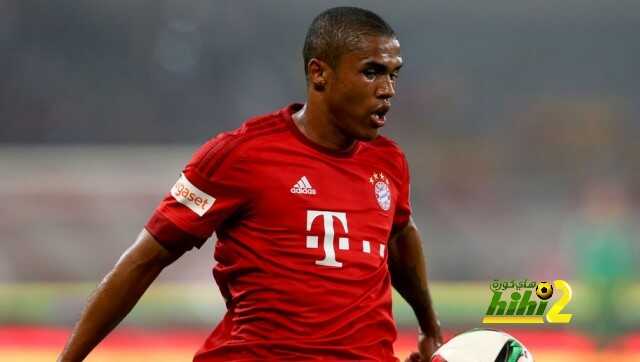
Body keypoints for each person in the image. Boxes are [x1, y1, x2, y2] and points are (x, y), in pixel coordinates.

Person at [58, 6, 442, 361]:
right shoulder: (240, 154)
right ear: (319, 73)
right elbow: (145, 259)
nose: (387, 89)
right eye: (372, 71)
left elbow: (399, 235)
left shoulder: (388, 162)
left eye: (393, 74)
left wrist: (429, 329)